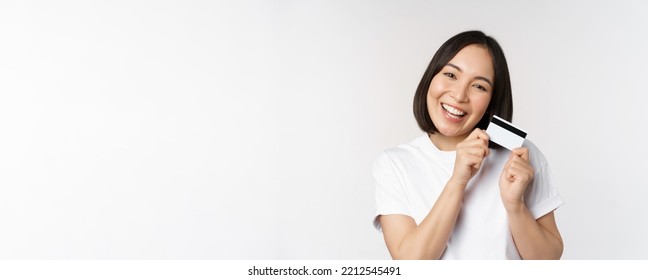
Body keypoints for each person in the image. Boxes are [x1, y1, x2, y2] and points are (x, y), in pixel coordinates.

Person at [372, 30, 564, 260]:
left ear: (492, 100)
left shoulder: (521, 155)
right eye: (451, 75)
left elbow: (549, 261)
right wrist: (458, 180)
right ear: (431, 78)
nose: (459, 95)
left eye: (479, 86)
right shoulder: (395, 163)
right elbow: (412, 264)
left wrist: (515, 206)